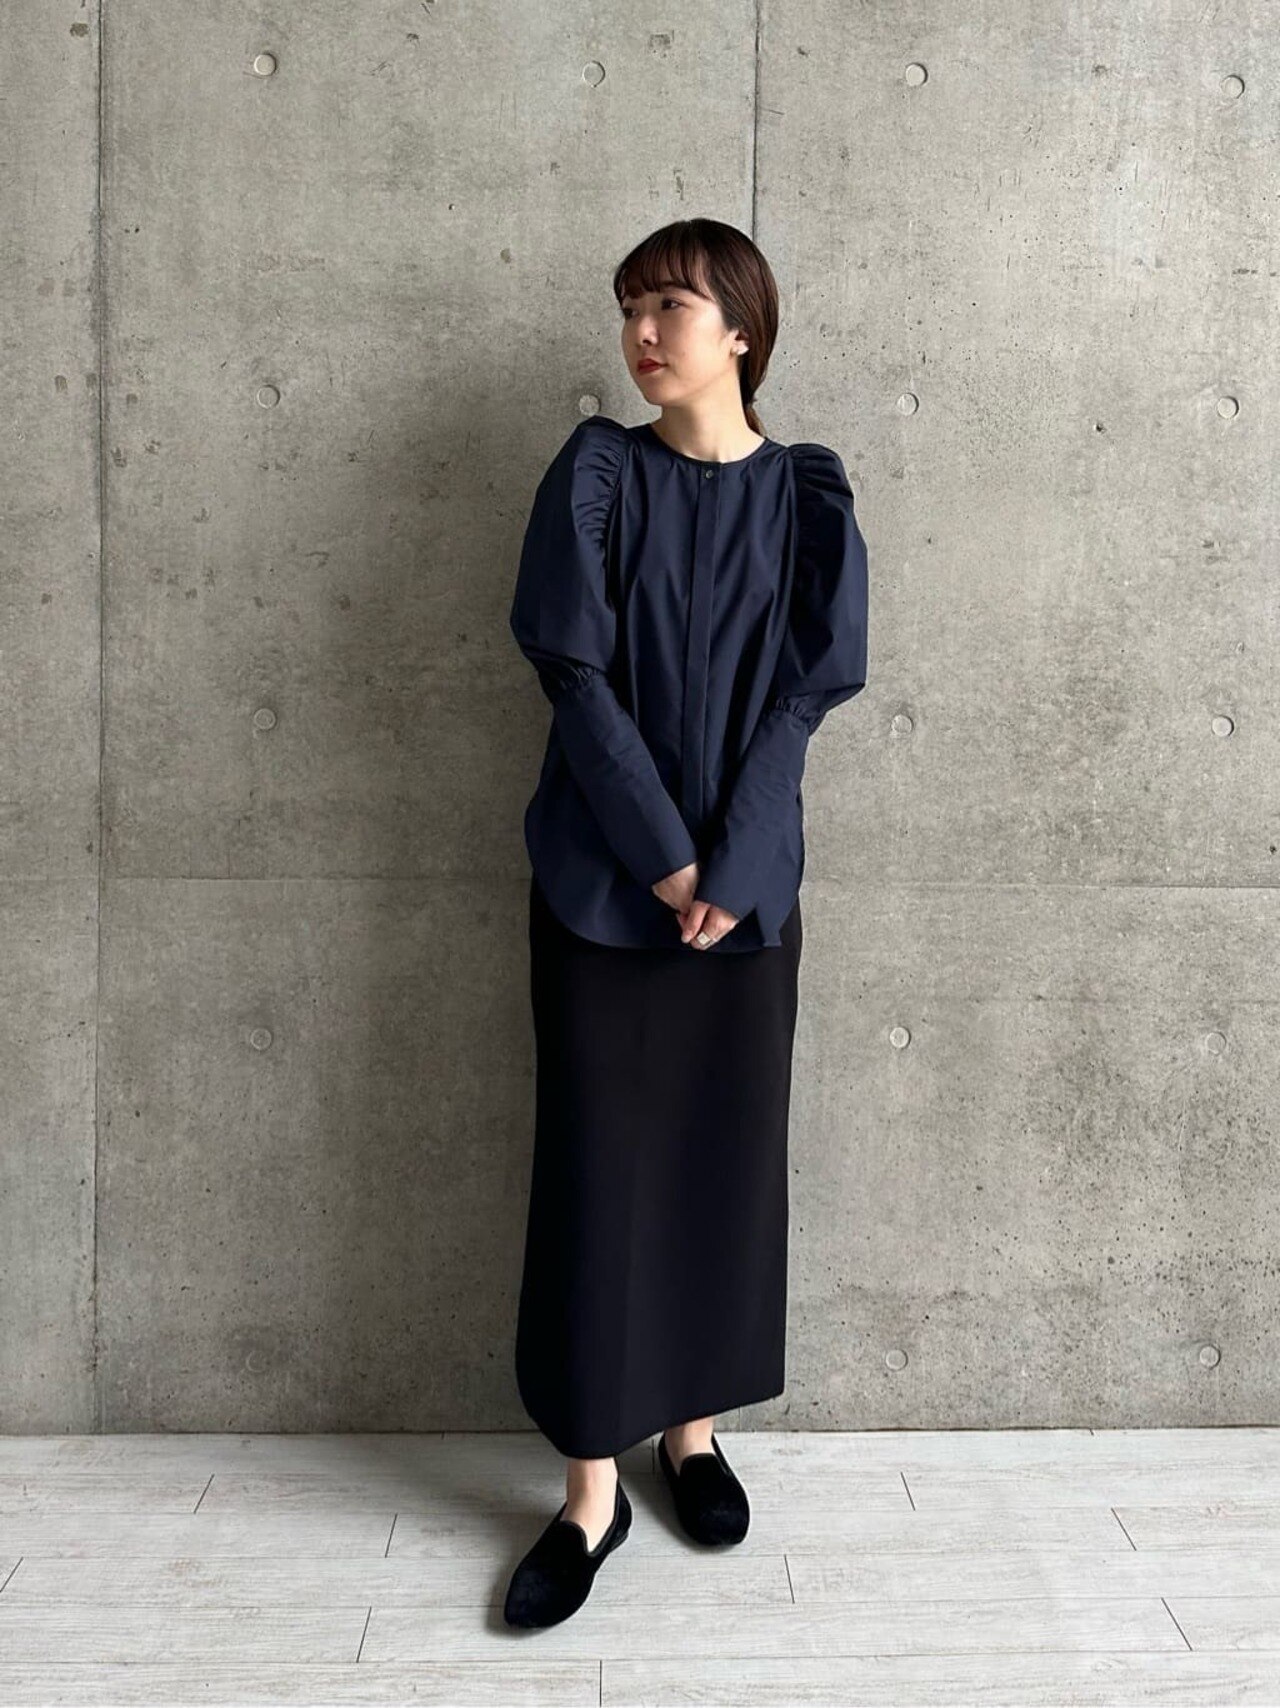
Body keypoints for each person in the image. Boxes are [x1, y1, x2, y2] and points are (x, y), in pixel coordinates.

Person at [502, 217, 869, 1628]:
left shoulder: (808, 494)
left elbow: (807, 694)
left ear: (741, 332)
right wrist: (665, 858)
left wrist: (740, 859)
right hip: (604, 889)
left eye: (670, 304)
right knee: (598, 1177)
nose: (642, 332)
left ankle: (693, 1436)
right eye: (631, 309)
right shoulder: (598, 472)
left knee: (726, 1162)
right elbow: (573, 672)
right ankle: (590, 1495)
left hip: (749, 895)